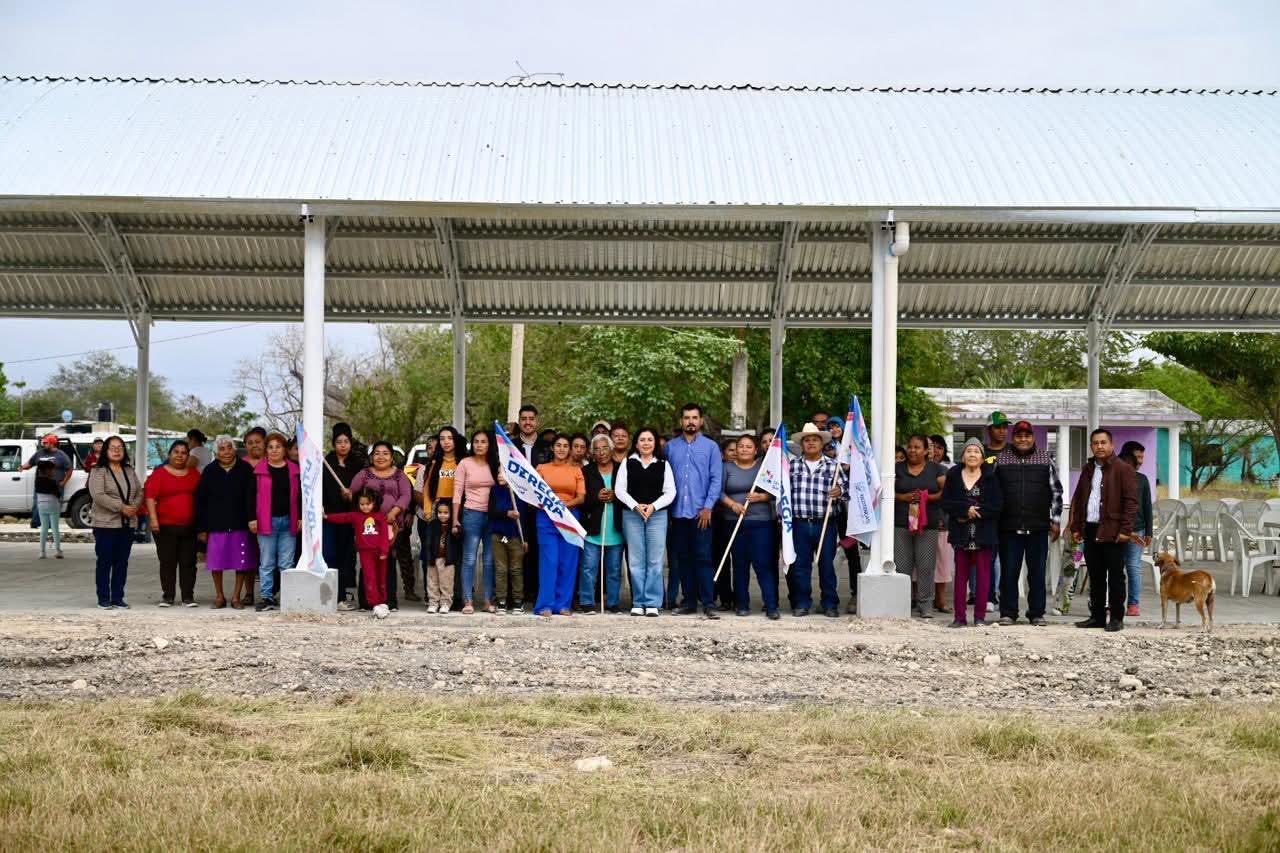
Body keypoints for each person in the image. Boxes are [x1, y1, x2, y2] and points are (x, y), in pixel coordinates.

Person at [994, 420, 1063, 627]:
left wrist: (1056, 520)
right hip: (1008, 526)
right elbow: (994, 492)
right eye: (1018, 435)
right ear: (1012, 437)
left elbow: (1056, 492)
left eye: (1027, 435)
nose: (1023, 439)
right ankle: (1008, 612)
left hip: (1038, 526)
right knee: (1009, 572)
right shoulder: (1001, 459)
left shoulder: (1045, 459)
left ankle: (1036, 613)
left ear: (1033, 437)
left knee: (1037, 573)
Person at [1069, 428, 1138, 633]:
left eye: (1103, 442)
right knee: (1096, 575)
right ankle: (1097, 616)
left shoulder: (1123, 469)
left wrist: (1126, 529)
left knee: (1116, 576)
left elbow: (1131, 502)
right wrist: (1076, 526)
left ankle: (1116, 617)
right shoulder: (1087, 469)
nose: (1099, 446)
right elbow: (1080, 498)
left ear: (1112, 445)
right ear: (1091, 447)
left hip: (1114, 531)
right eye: (1095, 443)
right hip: (1090, 529)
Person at [666, 403, 723, 619]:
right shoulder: (670, 448)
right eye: (687, 417)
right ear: (681, 421)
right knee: (683, 559)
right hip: (678, 514)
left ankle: (708, 603)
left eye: (694, 418)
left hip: (702, 513)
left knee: (704, 558)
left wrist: (708, 506)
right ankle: (689, 601)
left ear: (701, 421)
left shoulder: (711, 447)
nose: (690, 421)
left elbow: (716, 479)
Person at [941, 438, 1004, 627]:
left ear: (983, 458)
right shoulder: (953, 475)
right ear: (962, 456)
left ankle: (979, 617)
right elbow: (946, 502)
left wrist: (976, 512)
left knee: (984, 575)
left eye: (977, 452)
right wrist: (965, 509)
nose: (972, 455)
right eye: (969, 451)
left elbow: (997, 505)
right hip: (961, 533)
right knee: (961, 575)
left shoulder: (991, 476)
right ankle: (959, 617)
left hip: (984, 533)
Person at [787, 423, 846, 617]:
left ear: (822, 443)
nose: (811, 443)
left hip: (825, 524)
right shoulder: (791, 466)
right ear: (802, 444)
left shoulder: (833, 466)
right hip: (799, 523)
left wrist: (840, 491)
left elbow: (847, 490)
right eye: (807, 440)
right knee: (801, 566)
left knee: (826, 565)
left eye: (815, 439)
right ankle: (803, 603)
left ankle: (829, 603)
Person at [616, 427, 675, 616]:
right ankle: (638, 601)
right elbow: (620, 490)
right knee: (635, 560)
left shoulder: (663, 464)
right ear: (636, 443)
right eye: (642, 440)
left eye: (650, 439)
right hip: (632, 515)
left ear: (655, 443)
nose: (646, 443)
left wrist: (653, 507)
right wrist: (635, 506)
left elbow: (670, 492)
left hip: (657, 516)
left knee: (655, 560)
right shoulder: (628, 462)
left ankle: (652, 602)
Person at [719, 433, 778, 619]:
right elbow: (718, 492)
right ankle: (742, 604)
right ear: (735, 450)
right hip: (734, 522)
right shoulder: (726, 467)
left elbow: (776, 489)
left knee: (763, 564)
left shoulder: (763, 468)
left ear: (755, 450)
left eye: (748, 446)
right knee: (740, 564)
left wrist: (762, 497)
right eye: (741, 446)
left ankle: (771, 605)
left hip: (761, 523)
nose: (744, 449)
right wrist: (732, 504)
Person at [194, 435, 256, 608]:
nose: (226, 452)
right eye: (222, 449)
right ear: (216, 452)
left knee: (241, 562)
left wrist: (252, 519)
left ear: (234, 449)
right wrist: (202, 528)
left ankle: (236, 597)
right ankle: (220, 596)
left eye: (229, 448)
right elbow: (201, 500)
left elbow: (252, 497)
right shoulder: (210, 471)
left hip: (241, 523)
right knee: (216, 562)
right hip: (216, 525)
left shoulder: (245, 469)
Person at [350, 441, 413, 611]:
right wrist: (349, 495)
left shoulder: (400, 475)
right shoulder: (364, 474)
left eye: (385, 453)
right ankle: (366, 602)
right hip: (369, 528)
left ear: (392, 457)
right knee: (367, 564)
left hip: (392, 527)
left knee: (389, 563)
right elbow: (352, 493)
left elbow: (406, 495)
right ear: (371, 457)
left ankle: (389, 601)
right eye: (377, 453)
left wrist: (394, 512)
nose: (380, 456)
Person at [533, 434, 586, 616]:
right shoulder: (541, 468)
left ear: (569, 449)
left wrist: (562, 507)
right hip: (546, 519)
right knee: (550, 561)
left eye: (565, 445)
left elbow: (581, 497)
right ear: (552, 448)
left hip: (570, 518)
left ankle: (563, 604)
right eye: (558, 445)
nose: (562, 448)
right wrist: (551, 508)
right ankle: (545, 605)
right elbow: (535, 496)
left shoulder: (576, 470)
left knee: (568, 562)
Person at [87, 435, 143, 609]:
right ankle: (103, 598)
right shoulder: (98, 470)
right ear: (105, 450)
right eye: (113, 447)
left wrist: (133, 507)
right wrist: (121, 507)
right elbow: (98, 495)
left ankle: (118, 597)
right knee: (105, 560)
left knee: (122, 561)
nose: (117, 450)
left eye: (120, 447)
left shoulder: (129, 470)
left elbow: (139, 491)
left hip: (127, 524)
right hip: (105, 524)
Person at [145, 440, 202, 607]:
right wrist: (154, 519)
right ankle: (168, 596)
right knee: (168, 562)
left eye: (183, 452)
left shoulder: (194, 474)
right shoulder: (159, 473)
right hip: (165, 526)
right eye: (176, 451)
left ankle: (187, 597)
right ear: (170, 454)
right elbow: (150, 496)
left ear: (188, 456)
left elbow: (202, 498)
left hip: (189, 526)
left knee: (189, 563)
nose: (179, 455)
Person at [894, 434, 946, 618]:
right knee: (902, 566)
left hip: (927, 524)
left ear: (925, 451)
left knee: (925, 565)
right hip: (900, 523)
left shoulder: (936, 469)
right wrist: (903, 497)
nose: (912, 450)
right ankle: (902, 602)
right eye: (910, 446)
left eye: (917, 447)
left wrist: (927, 498)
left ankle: (925, 604)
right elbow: (886, 491)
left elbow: (945, 491)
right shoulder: (897, 468)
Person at [326, 487, 393, 619]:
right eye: (362, 504)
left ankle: (382, 601)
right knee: (370, 577)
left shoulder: (380, 516)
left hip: (381, 552)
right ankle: (374, 604)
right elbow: (342, 517)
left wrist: (384, 550)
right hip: (365, 553)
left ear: (374, 503)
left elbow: (384, 535)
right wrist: (326, 516)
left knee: (381, 577)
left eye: (368, 504)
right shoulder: (356, 516)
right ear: (357, 503)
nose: (365, 507)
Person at [249, 432, 298, 612]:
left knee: (286, 563)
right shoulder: (258, 471)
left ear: (284, 449)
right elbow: (250, 497)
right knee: (267, 562)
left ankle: (287, 597)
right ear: (266, 450)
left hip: (288, 521)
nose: (274, 450)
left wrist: (300, 517)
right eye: (270, 447)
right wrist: (252, 518)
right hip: (265, 521)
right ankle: (267, 597)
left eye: (278, 446)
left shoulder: (294, 470)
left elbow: (300, 497)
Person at [453, 428, 499, 614]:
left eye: (484, 442)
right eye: (477, 442)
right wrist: (455, 519)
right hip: (471, 514)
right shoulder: (465, 463)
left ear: (490, 445)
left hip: (493, 516)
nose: (480, 445)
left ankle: (488, 600)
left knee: (489, 560)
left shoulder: (496, 464)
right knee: (470, 558)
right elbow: (457, 493)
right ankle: (468, 601)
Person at [416, 426, 464, 603]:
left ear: (455, 440)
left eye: (449, 438)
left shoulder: (462, 461)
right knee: (435, 556)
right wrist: (428, 511)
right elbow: (427, 489)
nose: (446, 442)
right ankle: (433, 597)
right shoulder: (434, 463)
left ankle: (455, 597)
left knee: (455, 556)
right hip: (438, 512)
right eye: (442, 438)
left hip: (457, 510)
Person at [323, 423, 366, 610]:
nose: (342, 445)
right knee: (330, 555)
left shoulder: (357, 464)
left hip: (350, 517)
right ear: (334, 444)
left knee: (347, 557)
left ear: (351, 443)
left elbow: (365, 492)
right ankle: (330, 596)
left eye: (346, 441)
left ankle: (343, 595)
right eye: (339, 442)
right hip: (330, 517)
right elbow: (321, 488)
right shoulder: (326, 462)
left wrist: (353, 496)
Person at [580, 434, 624, 613]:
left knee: (614, 570)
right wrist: (596, 497)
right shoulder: (587, 471)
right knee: (589, 568)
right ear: (592, 453)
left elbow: (629, 496)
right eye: (596, 449)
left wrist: (616, 496)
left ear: (611, 449)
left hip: (616, 528)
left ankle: (613, 603)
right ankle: (587, 602)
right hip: (594, 528)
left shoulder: (622, 469)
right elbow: (582, 500)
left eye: (604, 448)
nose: (601, 452)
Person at [515, 405, 551, 609]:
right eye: (524, 419)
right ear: (519, 421)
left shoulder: (547, 446)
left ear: (536, 422)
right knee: (520, 547)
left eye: (531, 419)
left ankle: (538, 591)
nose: (527, 422)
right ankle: (521, 593)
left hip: (540, 505)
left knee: (539, 547)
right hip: (518, 504)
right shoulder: (510, 446)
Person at [1118, 440, 1153, 618]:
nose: (1140, 461)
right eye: (1137, 457)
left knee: (1133, 567)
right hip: (1115, 531)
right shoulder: (1112, 476)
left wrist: (1149, 532)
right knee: (1114, 568)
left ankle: (1133, 604)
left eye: (1142, 457)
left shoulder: (1142, 479)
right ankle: (1113, 604)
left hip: (1137, 530)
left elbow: (1147, 506)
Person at [488, 472, 525, 613]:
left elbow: (524, 517)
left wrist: (525, 538)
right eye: (498, 472)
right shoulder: (495, 490)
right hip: (498, 535)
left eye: (503, 473)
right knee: (501, 569)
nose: (499, 476)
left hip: (515, 535)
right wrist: (506, 513)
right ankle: (501, 601)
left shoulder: (519, 492)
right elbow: (491, 512)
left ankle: (517, 601)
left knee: (516, 569)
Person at [239, 426, 268, 605]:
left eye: (258, 442)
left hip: (269, 515)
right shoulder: (239, 464)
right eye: (250, 443)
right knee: (248, 557)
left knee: (267, 558)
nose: (254, 445)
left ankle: (269, 594)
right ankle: (248, 593)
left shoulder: (273, 460)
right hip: (245, 517)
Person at [23, 434, 72, 537]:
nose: (43, 444)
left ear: (52, 443)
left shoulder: (61, 455)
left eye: (45, 442)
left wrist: (64, 482)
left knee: (54, 505)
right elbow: (30, 463)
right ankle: (35, 525)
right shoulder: (39, 453)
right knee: (38, 503)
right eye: (43, 442)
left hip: (55, 485)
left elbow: (69, 469)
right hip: (41, 484)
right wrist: (22, 467)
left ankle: (51, 527)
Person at [927, 434, 954, 612]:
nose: (934, 451)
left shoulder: (949, 470)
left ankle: (940, 599)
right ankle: (918, 597)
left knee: (942, 562)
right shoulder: (916, 468)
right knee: (919, 563)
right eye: (931, 446)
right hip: (920, 521)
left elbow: (949, 494)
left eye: (938, 447)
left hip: (943, 521)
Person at [424, 499, 460, 614]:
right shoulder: (432, 525)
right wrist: (429, 558)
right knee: (432, 582)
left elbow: (458, 541)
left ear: (451, 513)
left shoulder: (453, 526)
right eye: (440, 512)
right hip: (433, 559)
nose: (442, 515)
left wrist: (457, 530)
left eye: (446, 512)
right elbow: (428, 542)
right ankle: (433, 603)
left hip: (447, 560)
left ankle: (445, 603)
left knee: (446, 583)